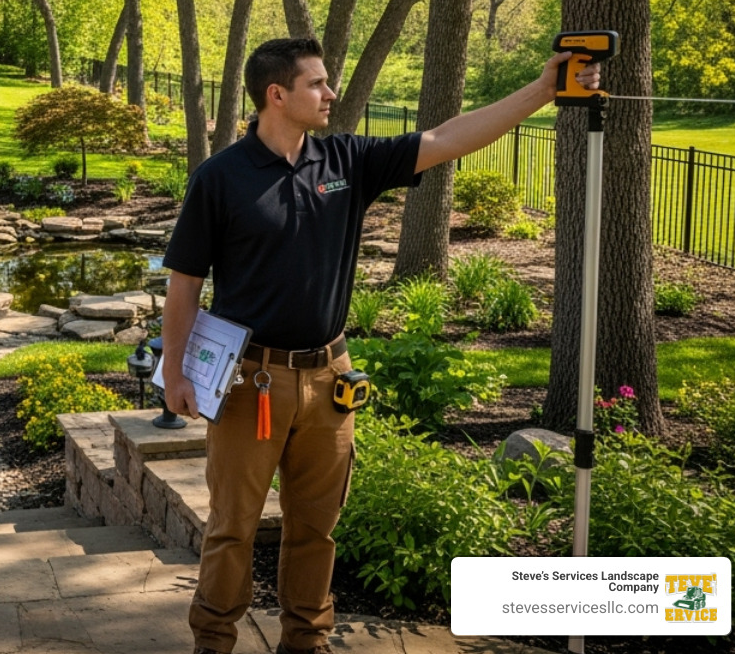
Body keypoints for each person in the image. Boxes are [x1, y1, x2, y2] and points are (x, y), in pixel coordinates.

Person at [159, 37, 600, 654]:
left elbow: (447, 138)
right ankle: (213, 642)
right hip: (249, 382)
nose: (331, 93)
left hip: (329, 380)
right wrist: (174, 371)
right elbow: (185, 283)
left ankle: (305, 644)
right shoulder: (221, 177)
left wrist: (544, 90)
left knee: (317, 528)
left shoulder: (345, 161)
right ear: (276, 95)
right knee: (233, 528)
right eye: (317, 83)